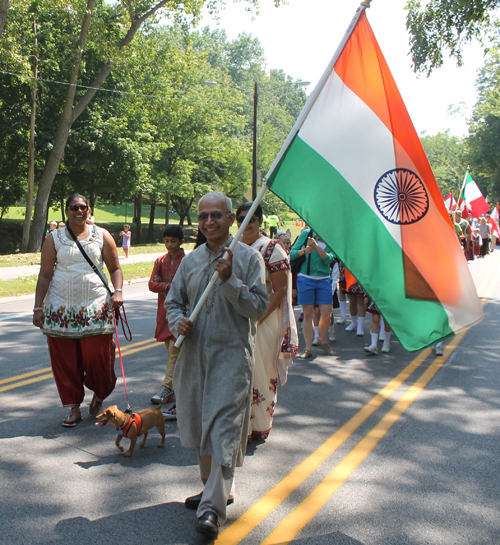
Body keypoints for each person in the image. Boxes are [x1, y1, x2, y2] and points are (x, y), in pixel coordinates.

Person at [165, 191, 269, 538]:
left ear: (230, 219)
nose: (209, 222)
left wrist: (230, 282)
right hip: (194, 358)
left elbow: (258, 307)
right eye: (203, 216)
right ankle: (216, 488)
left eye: (216, 216)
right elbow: (173, 302)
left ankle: (212, 509)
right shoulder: (191, 261)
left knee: (220, 429)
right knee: (197, 427)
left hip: (230, 356)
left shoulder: (248, 259)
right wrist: (178, 319)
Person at [33, 194, 123, 427]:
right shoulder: (55, 238)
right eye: (74, 207)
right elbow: (44, 274)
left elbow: (115, 268)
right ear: (67, 210)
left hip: (96, 305)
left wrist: (118, 291)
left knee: (97, 357)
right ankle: (74, 408)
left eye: (83, 207)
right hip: (60, 308)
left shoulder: (102, 235)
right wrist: (37, 306)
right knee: (66, 361)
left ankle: (101, 392)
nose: (79, 211)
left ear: (89, 209)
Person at [236, 202, 298, 442]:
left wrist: (258, 317)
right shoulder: (233, 247)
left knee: (261, 372)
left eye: (251, 218)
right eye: (241, 218)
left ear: (260, 221)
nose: (246, 223)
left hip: (264, 321)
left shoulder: (272, 250)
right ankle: (240, 426)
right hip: (238, 319)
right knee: (239, 371)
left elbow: (280, 290)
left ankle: (260, 426)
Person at [148, 225, 186, 408]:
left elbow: (185, 285)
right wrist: (167, 286)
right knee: (172, 352)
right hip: (163, 313)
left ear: (181, 242)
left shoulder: (187, 261)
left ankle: (167, 388)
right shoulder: (160, 261)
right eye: (166, 241)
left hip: (181, 311)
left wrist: (163, 285)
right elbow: (151, 284)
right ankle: (178, 389)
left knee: (174, 352)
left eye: (173, 241)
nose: (169, 245)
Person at [290, 229, 335, 358]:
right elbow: (292, 254)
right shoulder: (306, 234)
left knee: (327, 314)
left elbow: (328, 260)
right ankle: (308, 349)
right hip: (306, 278)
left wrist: (316, 246)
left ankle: (322, 339)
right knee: (308, 314)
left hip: (324, 279)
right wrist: (304, 251)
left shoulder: (331, 236)